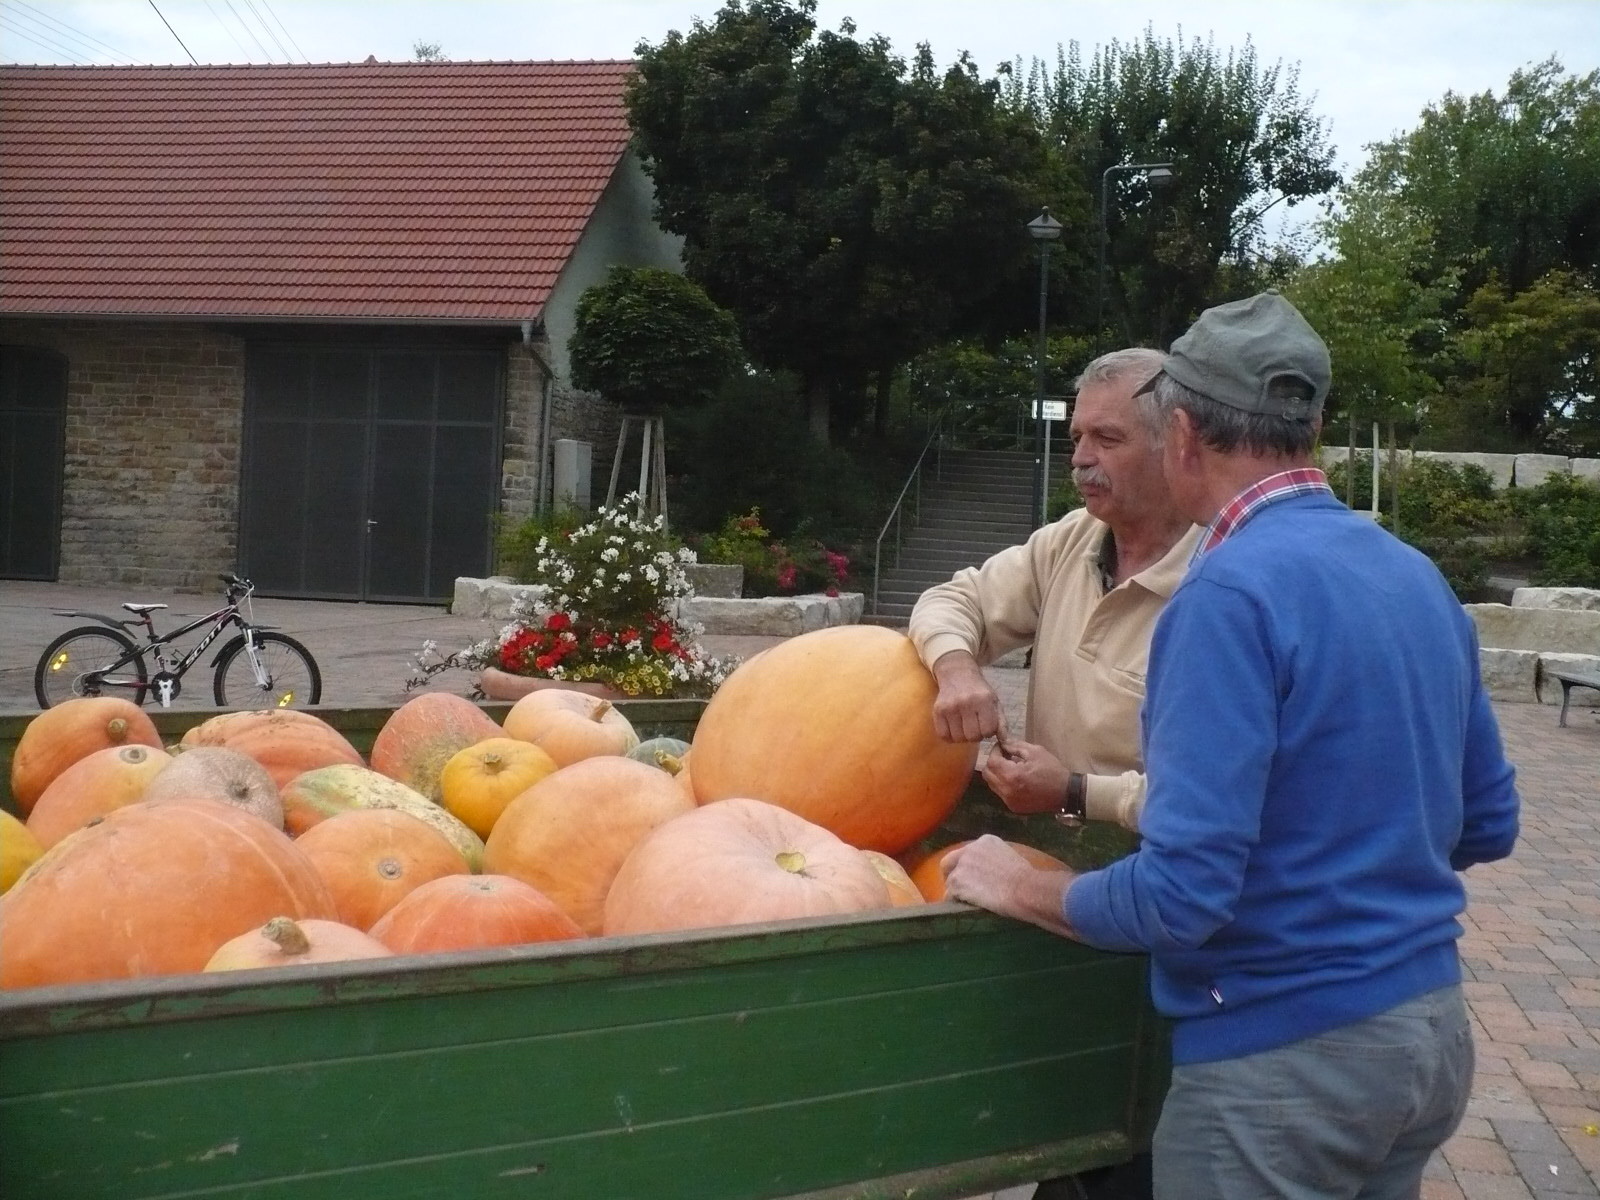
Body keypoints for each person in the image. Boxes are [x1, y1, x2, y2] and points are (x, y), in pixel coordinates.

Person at [942, 291, 1520, 1199]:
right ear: (1315, 425)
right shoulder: (1414, 576)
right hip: (1427, 1040)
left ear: (1179, 436)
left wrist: (1023, 884)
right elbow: (1487, 821)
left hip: (1280, 1071)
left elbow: (1181, 898)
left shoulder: (1226, 596)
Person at [909, 347, 1200, 832]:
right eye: (1077, 437)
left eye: (1107, 438)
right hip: (1049, 856)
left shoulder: (1220, 582)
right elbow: (955, 599)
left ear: (1174, 443)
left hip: (1152, 877)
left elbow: (1218, 800)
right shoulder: (1074, 536)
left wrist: (1072, 791)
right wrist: (957, 668)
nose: (1081, 459)